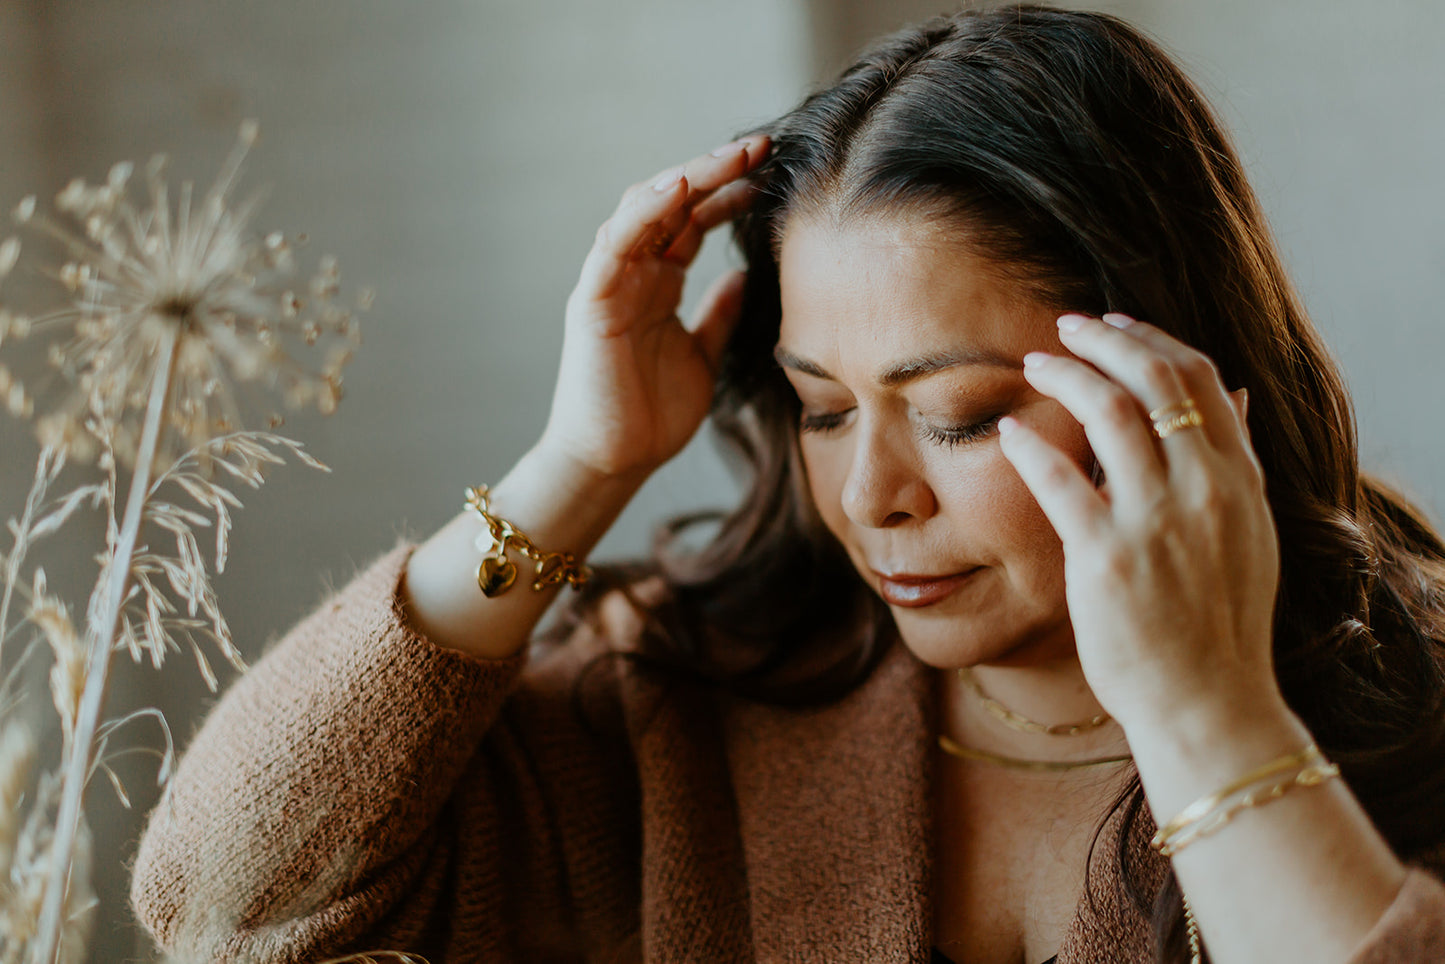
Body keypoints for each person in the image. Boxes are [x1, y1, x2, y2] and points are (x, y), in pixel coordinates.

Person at [130, 6, 1445, 963]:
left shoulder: (1415, 706)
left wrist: (1208, 708)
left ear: (1179, 382)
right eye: (821, 409)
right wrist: (577, 470)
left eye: (961, 417)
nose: (869, 494)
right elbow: (221, 901)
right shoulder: (682, 697)